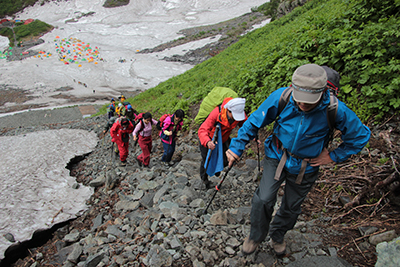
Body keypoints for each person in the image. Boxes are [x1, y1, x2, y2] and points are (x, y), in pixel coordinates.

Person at [225, 64, 371, 256]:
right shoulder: (282, 97)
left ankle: (277, 235)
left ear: (323, 93)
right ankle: (255, 236)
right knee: (263, 199)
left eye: (309, 102)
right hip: (276, 155)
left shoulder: (336, 109)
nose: (303, 105)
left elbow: (360, 136)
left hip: (307, 165)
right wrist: (236, 147)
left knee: (291, 206)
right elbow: (254, 122)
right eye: (300, 100)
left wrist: (334, 156)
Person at [198, 97, 247, 188]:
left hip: (223, 139)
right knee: (206, 160)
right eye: (235, 115)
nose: (237, 118)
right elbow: (202, 130)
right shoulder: (216, 113)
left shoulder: (238, 111)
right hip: (209, 139)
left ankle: (217, 169)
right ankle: (204, 180)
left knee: (226, 159)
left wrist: (254, 137)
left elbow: (246, 125)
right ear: (228, 111)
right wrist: (208, 142)